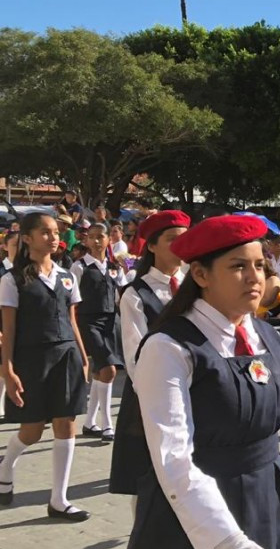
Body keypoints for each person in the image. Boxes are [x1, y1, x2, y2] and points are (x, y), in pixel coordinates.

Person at [108, 214, 280, 549]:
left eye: (259, 265)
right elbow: (174, 460)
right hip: (199, 515)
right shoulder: (169, 347)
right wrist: (230, 544)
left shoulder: (264, 333)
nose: (255, 277)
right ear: (200, 274)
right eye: (237, 267)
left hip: (268, 497)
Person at [0, 212, 90, 521]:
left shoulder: (67, 275)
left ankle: (59, 499)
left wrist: (83, 356)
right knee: (33, 430)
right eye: (45, 232)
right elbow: (8, 331)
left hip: (66, 356)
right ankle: (6, 464)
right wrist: (7, 371)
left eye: (56, 232)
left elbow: (72, 320)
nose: (54, 238)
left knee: (67, 423)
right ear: (26, 238)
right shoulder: (12, 280)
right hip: (32, 359)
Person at [110, 210, 191, 499]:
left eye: (184, 240)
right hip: (152, 395)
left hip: (194, 389)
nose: (180, 246)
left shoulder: (196, 286)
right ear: (152, 246)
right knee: (146, 478)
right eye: (171, 240)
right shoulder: (136, 294)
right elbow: (135, 356)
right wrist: (155, 399)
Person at [72, 223, 128, 442]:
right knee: (109, 370)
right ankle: (107, 424)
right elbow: (71, 300)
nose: (96, 241)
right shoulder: (80, 267)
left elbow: (123, 292)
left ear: (108, 240)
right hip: (89, 321)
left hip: (111, 321)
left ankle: (89, 422)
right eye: (92, 237)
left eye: (101, 237)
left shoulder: (115, 267)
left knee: (100, 372)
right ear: (86, 241)